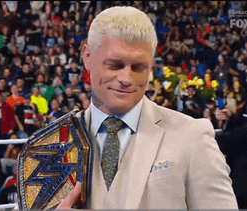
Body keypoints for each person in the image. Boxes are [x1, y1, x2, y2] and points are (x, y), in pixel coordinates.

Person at [58, 6, 237, 209]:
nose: (126, 79)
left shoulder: (191, 136)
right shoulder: (54, 143)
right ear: (87, 57)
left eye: (138, 67)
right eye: (115, 65)